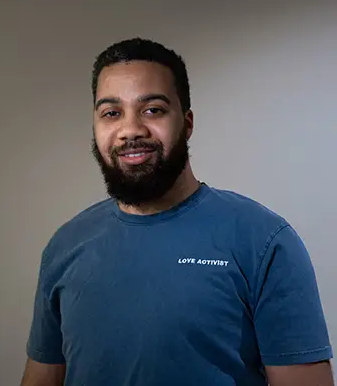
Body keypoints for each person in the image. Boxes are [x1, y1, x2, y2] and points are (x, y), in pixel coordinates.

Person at [21, 38, 334, 386]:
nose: (130, 130)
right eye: (111, 113)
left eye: (153, 110)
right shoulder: (65, 245)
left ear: (187, 123)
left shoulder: (263, 241)